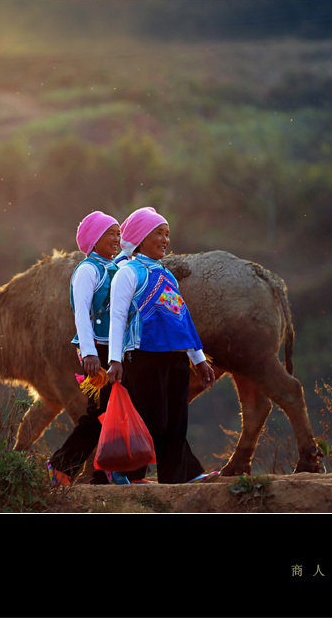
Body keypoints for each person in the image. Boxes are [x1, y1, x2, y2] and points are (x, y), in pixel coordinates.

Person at [106, 207, 218, 484]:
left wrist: (199, 359)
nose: (165, 240)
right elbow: (117, 317)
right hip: (143, 357)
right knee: (150, 421)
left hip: (175, 358)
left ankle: (176, 479)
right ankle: (127, 474)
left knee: (176, 423)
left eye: (167, 234)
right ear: (142, 238)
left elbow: (183, 320)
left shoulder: (167, 275)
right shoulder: (127, 272)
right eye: (159, 233)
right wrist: (115, 359)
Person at [47, 211, 126, 486]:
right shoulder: (88, 270)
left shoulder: (115, 267)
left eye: (118, 233)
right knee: (100, 412)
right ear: (94, 240)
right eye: (110, 233)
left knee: (114, 412)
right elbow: (81, 313)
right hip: (98, 351)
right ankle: (61, 466)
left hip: (116, 349)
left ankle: (104, 472)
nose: (117, 238)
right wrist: (90, 353)